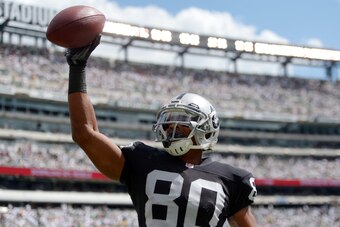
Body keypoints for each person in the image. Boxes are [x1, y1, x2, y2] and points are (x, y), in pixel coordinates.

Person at [66, 36, 257, 227]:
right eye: (168, 123)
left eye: (182, 121)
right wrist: (77, 67)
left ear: (207, 128)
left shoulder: (231, 179)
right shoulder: (143, 161)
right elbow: (85, 134)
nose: (171, 128)